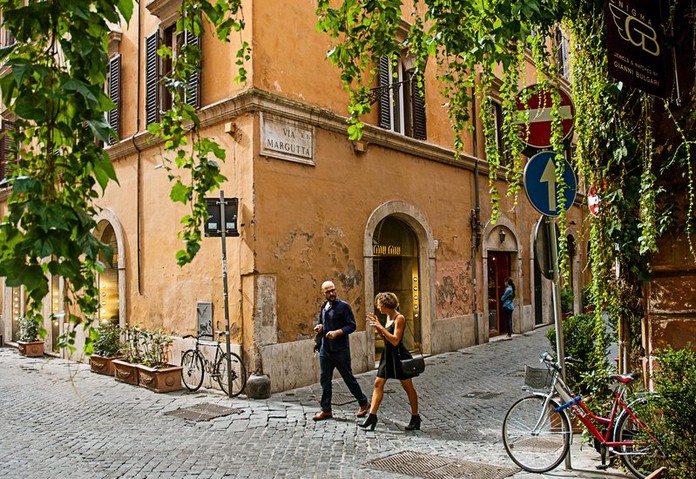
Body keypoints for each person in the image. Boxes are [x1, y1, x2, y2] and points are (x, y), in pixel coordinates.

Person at [360, 292, 420, 431]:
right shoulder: (387, 317)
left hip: (399, 356)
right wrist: (377, 326)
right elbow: (384, 337)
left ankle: (415, 417)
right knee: (378, 383)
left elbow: (395, 340)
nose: (378, 308)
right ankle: (372, 416)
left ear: (387, 305)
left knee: (407, 386)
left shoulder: (400, 318)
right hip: (387, 356)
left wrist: (380, 326)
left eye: (380, 305)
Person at [312, 280, 370, 421]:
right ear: (323, 293)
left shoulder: (344, 307)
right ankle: (326, 410)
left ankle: (363, 402)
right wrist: (319, 327)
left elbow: (352, 326)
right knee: (324, 380)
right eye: (328, 292)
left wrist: (337, 332)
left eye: (333, 290)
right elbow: (322, 322)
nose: (332, 293)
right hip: (325, 350)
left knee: (348, 378)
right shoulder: (324, 306)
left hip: (340, 350)